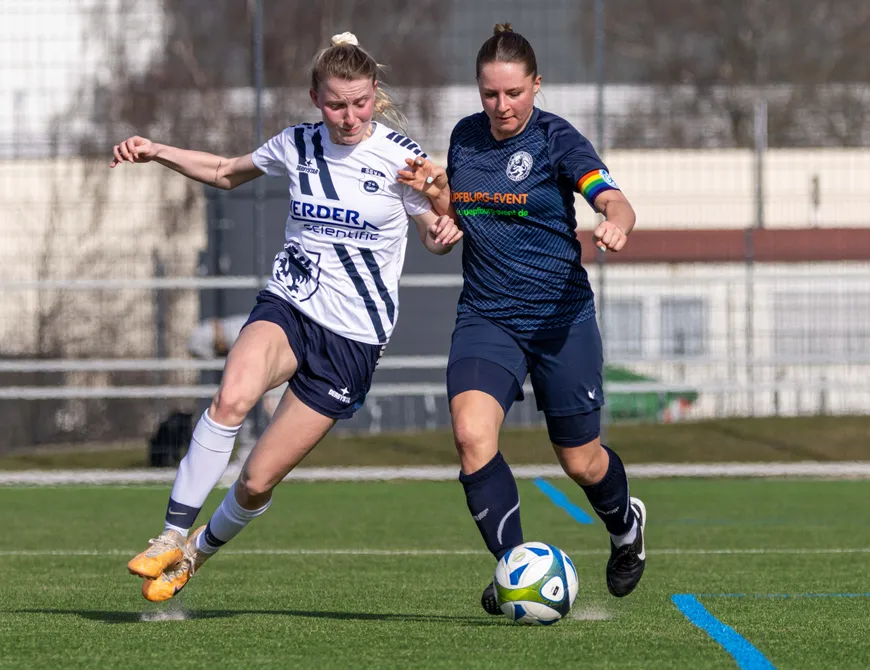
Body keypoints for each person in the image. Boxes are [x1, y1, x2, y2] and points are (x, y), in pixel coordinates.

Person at [110, 32, 463, 602]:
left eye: (359, 103)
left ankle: (196, 554)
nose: (348, 117)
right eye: (334, 104)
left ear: (375, 94)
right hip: (289, 305)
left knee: (255, 480)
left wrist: (444, 222)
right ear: (313, 97)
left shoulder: (403, 160)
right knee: (230, 398)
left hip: (351, 338)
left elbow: (436, 234)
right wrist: (159, 150)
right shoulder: (296, 144)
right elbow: (227, 170)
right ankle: (170, 534)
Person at [397, 24, 646, 614]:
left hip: (561, 319)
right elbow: (451, 221)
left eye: (514, 93)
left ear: (536, 85)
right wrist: (438, 210)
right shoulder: (463, 140)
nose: (502, 106)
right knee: (470, 436)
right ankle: (514, 566)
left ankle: (625, 526)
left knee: (581, 459)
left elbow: (613, 198)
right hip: (488, 316)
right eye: (490, 94)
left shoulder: (559, 140)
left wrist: (616, 222)